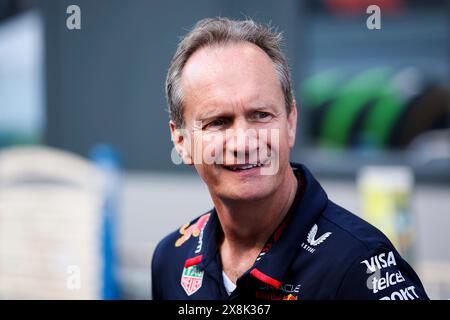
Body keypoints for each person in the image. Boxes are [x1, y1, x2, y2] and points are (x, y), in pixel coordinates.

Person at [151, 17, 429, 300]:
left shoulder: (360, 265)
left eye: (261, 115)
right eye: (218, 122)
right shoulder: (171, 260)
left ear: (291, 122)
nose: (244, 142)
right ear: (181, 141)